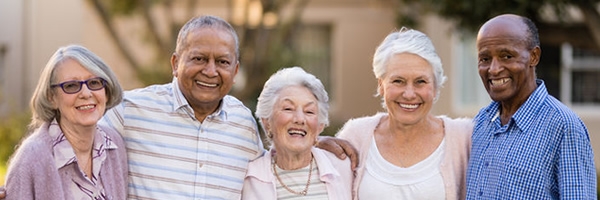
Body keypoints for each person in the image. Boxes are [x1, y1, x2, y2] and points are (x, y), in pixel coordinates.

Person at [0, 15, 356, 200]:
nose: (210, 71)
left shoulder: (244, 125)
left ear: (235, 68)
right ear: (175, 62)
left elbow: (274, 162)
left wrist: (314, 141)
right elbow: (70, 133)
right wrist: (17, 185)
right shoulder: (131, 110)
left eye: (222, 61)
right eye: (198, 58)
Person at [465, 14, 596, 199]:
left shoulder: (564, 127)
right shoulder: (480, 123)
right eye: (485, 59)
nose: (493, 69)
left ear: (533, 57)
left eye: (506, 56)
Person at [336, 27, 473, 199]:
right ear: (381, 85)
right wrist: (317, 147)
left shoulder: (464, 137)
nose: (409, 94)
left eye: (420, 82)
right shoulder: (355, 136)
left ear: (436, 87)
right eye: (398, 81)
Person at [4, 45, 127, 199]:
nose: (86, 93)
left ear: (107, 91)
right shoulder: (32, 157)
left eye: (94, 83)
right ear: (52, 97)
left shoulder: (114, 145)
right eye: (71, 86)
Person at [242, 67, 353, 199]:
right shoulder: (248, 179)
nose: (299, 119)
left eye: (309, 111)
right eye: (288, 109)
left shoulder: (344, 168)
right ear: (267, 122)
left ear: (319, 126)